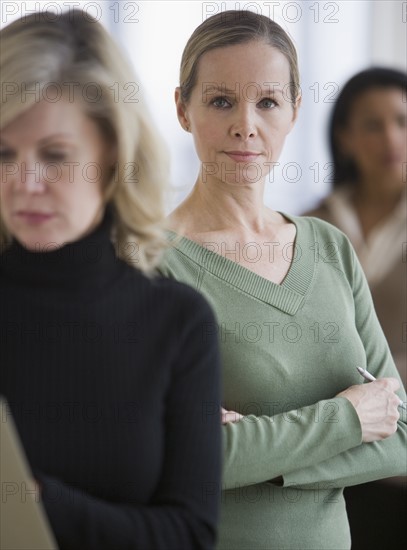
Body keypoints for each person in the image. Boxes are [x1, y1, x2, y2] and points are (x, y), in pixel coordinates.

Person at [157, 10, 407, 550]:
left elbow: (401, 436)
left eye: (268, 102)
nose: (246, 124)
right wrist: (348, 418)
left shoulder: (329, 247)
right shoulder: (151, 264)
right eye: (221, 100)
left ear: (295, 111)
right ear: (183, 107)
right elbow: (180, 459)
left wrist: (259, 455)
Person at [0, 9, 221, 550]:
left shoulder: (177, 320)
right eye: (2, 153)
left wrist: (30, 503)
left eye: (55, 156)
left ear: (113, 157)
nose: (24, 183)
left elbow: (191, 535)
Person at [303, 67, 407, 550]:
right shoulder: (305, 229)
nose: (392, 137)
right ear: (344, 137)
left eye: (403, 122)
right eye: (373, 124)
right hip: (331, 447)